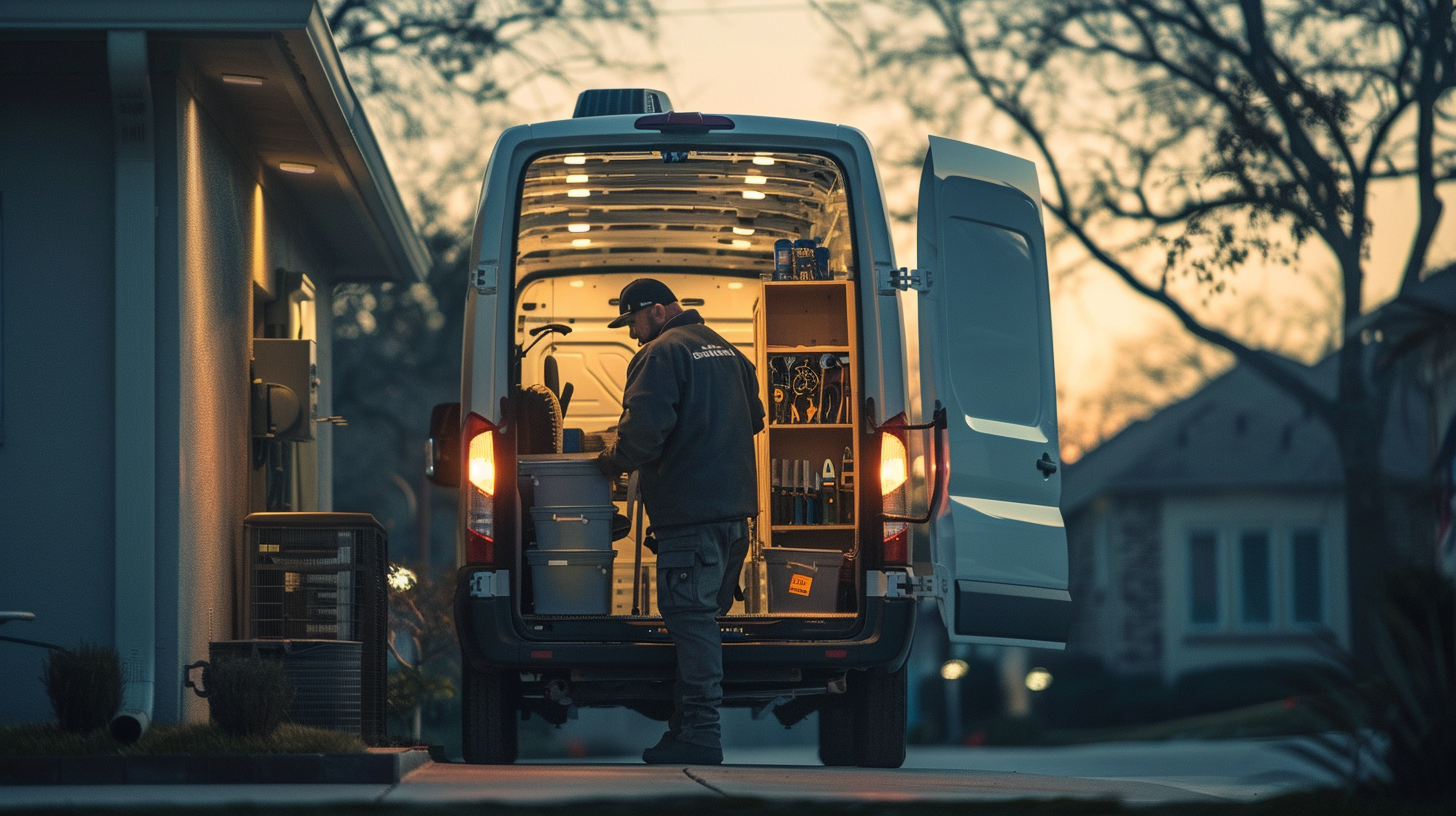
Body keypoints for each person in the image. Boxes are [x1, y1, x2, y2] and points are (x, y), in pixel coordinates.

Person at [596, 277, 765, 765]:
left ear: (656, 310)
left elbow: (642, 435)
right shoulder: (729, 351)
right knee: (699, 623)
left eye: (633, 322)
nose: (633, 334)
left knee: (691, 624)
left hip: (690, 519)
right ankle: (683, 730)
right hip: (735, 519)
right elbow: (755, 419)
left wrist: (610, 462)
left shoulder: (661, 353)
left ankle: (702, 734)